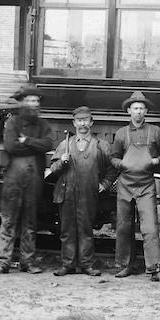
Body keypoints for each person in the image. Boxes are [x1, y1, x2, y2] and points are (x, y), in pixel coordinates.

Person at [0, 83, 55, 275]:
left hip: (34, 178)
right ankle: (3, 261)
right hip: (13, 179)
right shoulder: (12, 123)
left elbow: (48, 144)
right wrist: (35, 146)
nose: (34, 104)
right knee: (9, 220)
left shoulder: (44, 125)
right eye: (30, 100)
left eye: (36, 101)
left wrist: (26, 141)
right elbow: (11, 147)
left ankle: (28, 261)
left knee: (30, 221)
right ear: (22, 103)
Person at [110, 90, 160, 281]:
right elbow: (113, 157)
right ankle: (125, 265)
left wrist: (155, 162)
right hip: (125, 184)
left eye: (141, 108)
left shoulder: (156, 131)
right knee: (123, 227)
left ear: (146, 111)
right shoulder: (121, 133)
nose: (138, 112)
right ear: (129, 111)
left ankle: (155, 269)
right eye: (135, 108)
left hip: (146, 185)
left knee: (151, 227)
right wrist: (122, 164)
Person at [47, 106, 112, 276]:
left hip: (88, 194)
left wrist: (104, 184)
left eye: (86, 120)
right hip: (67, 192)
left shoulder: (100, 145)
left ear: (92, 122)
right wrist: (61, 161)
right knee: (67, 230)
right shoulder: (65, 144)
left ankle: (86, 264)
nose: (82, 124)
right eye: (79, 121)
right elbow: (53, 169)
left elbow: (112, 168)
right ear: (74, 123)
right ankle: (67, 264)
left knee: (86, 229)